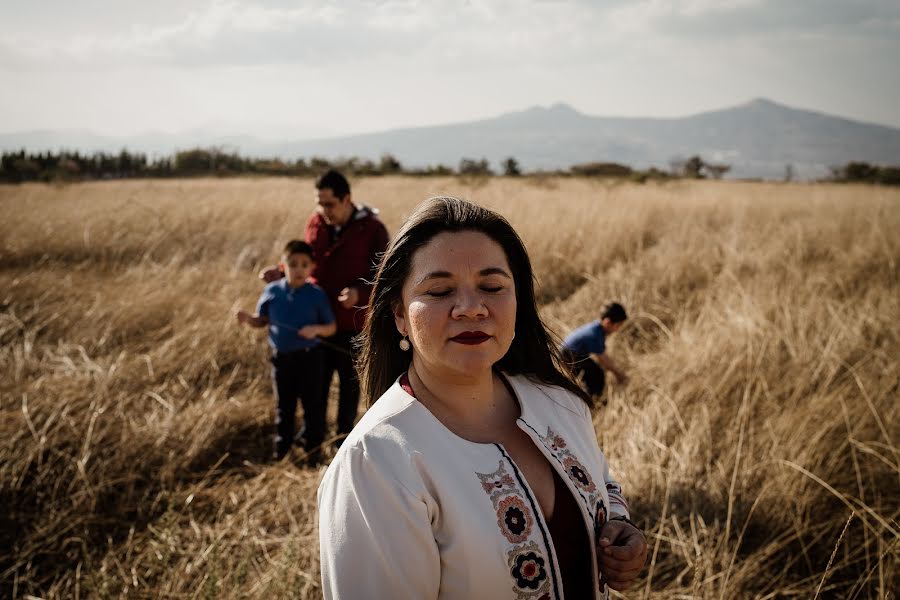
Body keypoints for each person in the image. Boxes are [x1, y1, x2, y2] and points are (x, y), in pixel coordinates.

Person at [318, 197, 646, 599]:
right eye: (439, 291)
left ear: (518, 302)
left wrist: (620, 528)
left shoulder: (561, 403)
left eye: (492, 286)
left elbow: (604, 484)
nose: (471, 308)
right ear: (399, 315)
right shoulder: (376, 462)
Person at [261, 170, 389, 445]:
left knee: (348, 388)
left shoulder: (373, 229)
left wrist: (360, 292)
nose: (323, 210)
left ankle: (343, 442)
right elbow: (306, 258)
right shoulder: (316, 221)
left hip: (352, 323)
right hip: (316, 319)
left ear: (347, 199)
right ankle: (313, 441)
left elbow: (387, 275)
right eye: (320, 203)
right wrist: (282, 271)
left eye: (329, 204)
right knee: (314, 388)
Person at [238, 240, 336, 462]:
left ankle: (313, 453)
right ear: (283, 266)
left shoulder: (317, 295)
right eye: (293, 264)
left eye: (304, 264)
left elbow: (331, 328)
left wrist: (316, 329)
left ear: (311, 267)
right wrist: (248, 319)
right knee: (284, 407)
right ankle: (281, 453)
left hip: (310, 359)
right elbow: (261, 320)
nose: (298, 269)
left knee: (313, 407)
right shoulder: (272, 291)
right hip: (282, 360)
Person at [561, 303, 629, 403]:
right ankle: (594, 401)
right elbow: (603, 359)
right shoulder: (594, 334)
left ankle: (593, 399)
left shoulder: (598, 329)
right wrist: (619, 375)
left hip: (573, 354)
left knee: (594, 374)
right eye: (618, 325)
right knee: (597, 375)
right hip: (569, 356)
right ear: (607, 322)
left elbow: (603, 354)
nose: (618, 329)